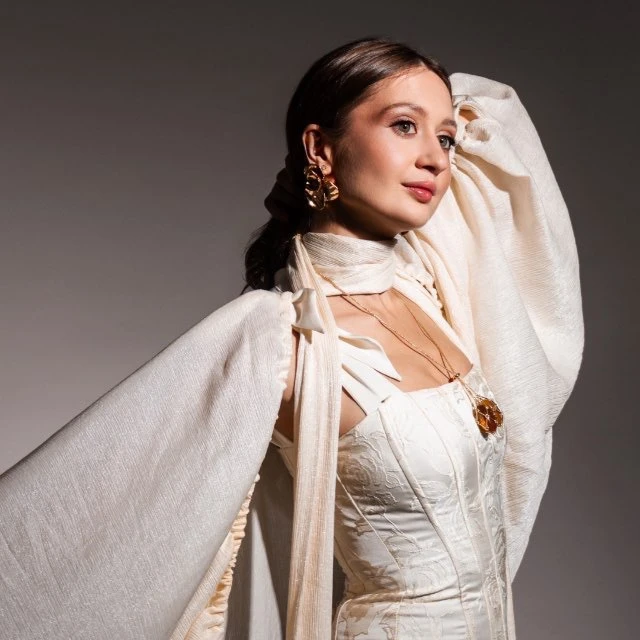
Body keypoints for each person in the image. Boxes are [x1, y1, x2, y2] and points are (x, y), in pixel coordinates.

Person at [0, 37, 584, 640]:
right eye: (404, 126)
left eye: (445, 138)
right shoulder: (280, 339)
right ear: (320, 149)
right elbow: (80, 507)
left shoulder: (434, 296)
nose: (436, 159)